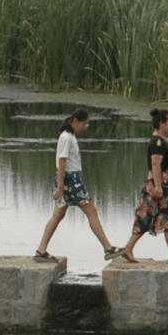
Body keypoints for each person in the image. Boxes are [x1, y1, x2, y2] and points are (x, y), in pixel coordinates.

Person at [33, 107, 118, 264]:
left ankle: (41, 250)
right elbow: (62, 162)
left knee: (58, 215)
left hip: (72, 179)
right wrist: (60, 186)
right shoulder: (66, 137)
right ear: (74, 122)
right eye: (84, 124)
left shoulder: (70, 136)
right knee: (90, 210)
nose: (85, 127)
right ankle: (107, 247)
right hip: (70, 181)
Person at [118, 108, 168, 264]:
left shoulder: (159, 141)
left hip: (162, 187)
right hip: (159, 188)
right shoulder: (158, 143)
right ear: (162, 124)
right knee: (158, 217)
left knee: (157, 217)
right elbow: (155, 165)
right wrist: (159, 187)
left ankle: (130, 248)